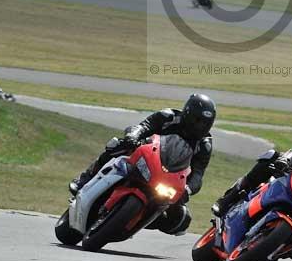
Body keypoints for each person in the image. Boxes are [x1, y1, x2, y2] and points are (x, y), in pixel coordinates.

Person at [69, 93, 216, 236]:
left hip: (168, 178)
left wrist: (188, 189)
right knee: (117, 145)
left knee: (182, 219)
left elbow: (198, 173)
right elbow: (144, 126)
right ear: (188, 113)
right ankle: (86, 178)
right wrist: (133, 136)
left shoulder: (204, 145)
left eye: (205, 123)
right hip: (144, 157)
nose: (200, 126)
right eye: (197, 120)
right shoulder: (168, 116)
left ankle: (139, 220)